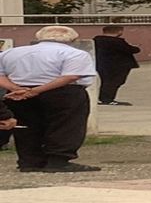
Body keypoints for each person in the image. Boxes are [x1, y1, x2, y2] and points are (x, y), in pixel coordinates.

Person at [0, 25, 100, 172]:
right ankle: (59, 159)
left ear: (39, 37)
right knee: (66, 125)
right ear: (72, 39)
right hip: (62, 92)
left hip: (19, 92)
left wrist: (16, 88)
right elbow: (71, 76)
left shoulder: (11, 52)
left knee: (26, 126)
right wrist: (37, 90)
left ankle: (29, 161)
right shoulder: (75, 53)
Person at [93, 25, 140, 105]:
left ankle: (103, 98)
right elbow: (130, 50)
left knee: (106, 81)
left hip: (101, 64)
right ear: (119, 31)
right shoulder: (117, 42)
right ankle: (108, 99)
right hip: (119, 65)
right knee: (115, 82)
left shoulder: (96, 40)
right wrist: (136, 48)